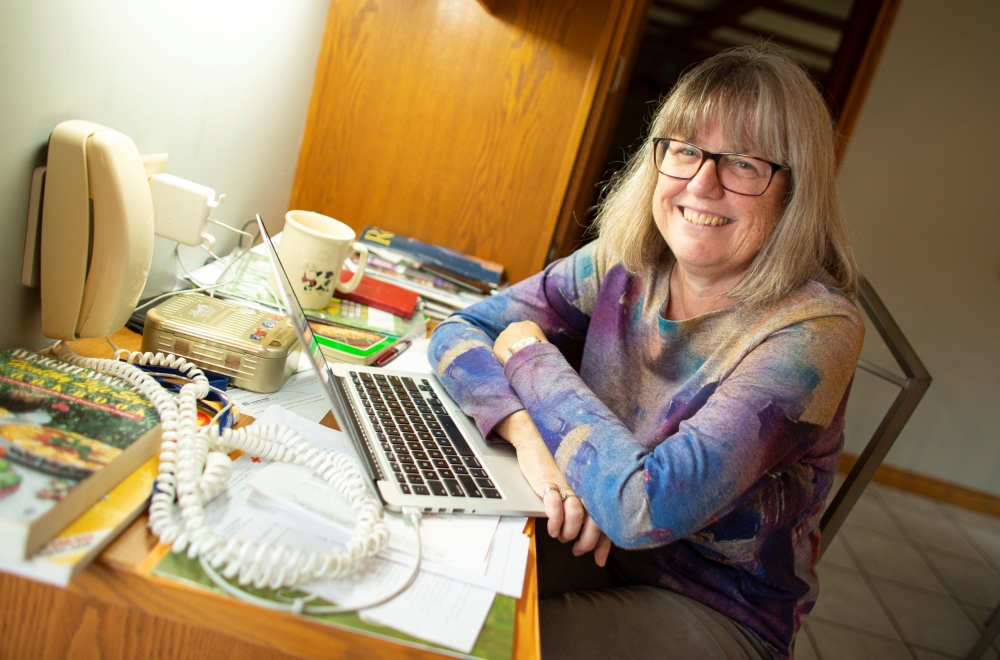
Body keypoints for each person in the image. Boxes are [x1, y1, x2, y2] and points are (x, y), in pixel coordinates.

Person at [428, 45, 863, 660]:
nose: (701, 184)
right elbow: (460, 329)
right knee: (436, 583)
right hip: (594, 535)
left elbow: (645, 506)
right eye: (685, 150)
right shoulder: (626, 261)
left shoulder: (814, 332)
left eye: (742, 163)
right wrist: (527, 435)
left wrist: (529, 351)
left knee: (490, 646)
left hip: (716, 601)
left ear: (793, 190)